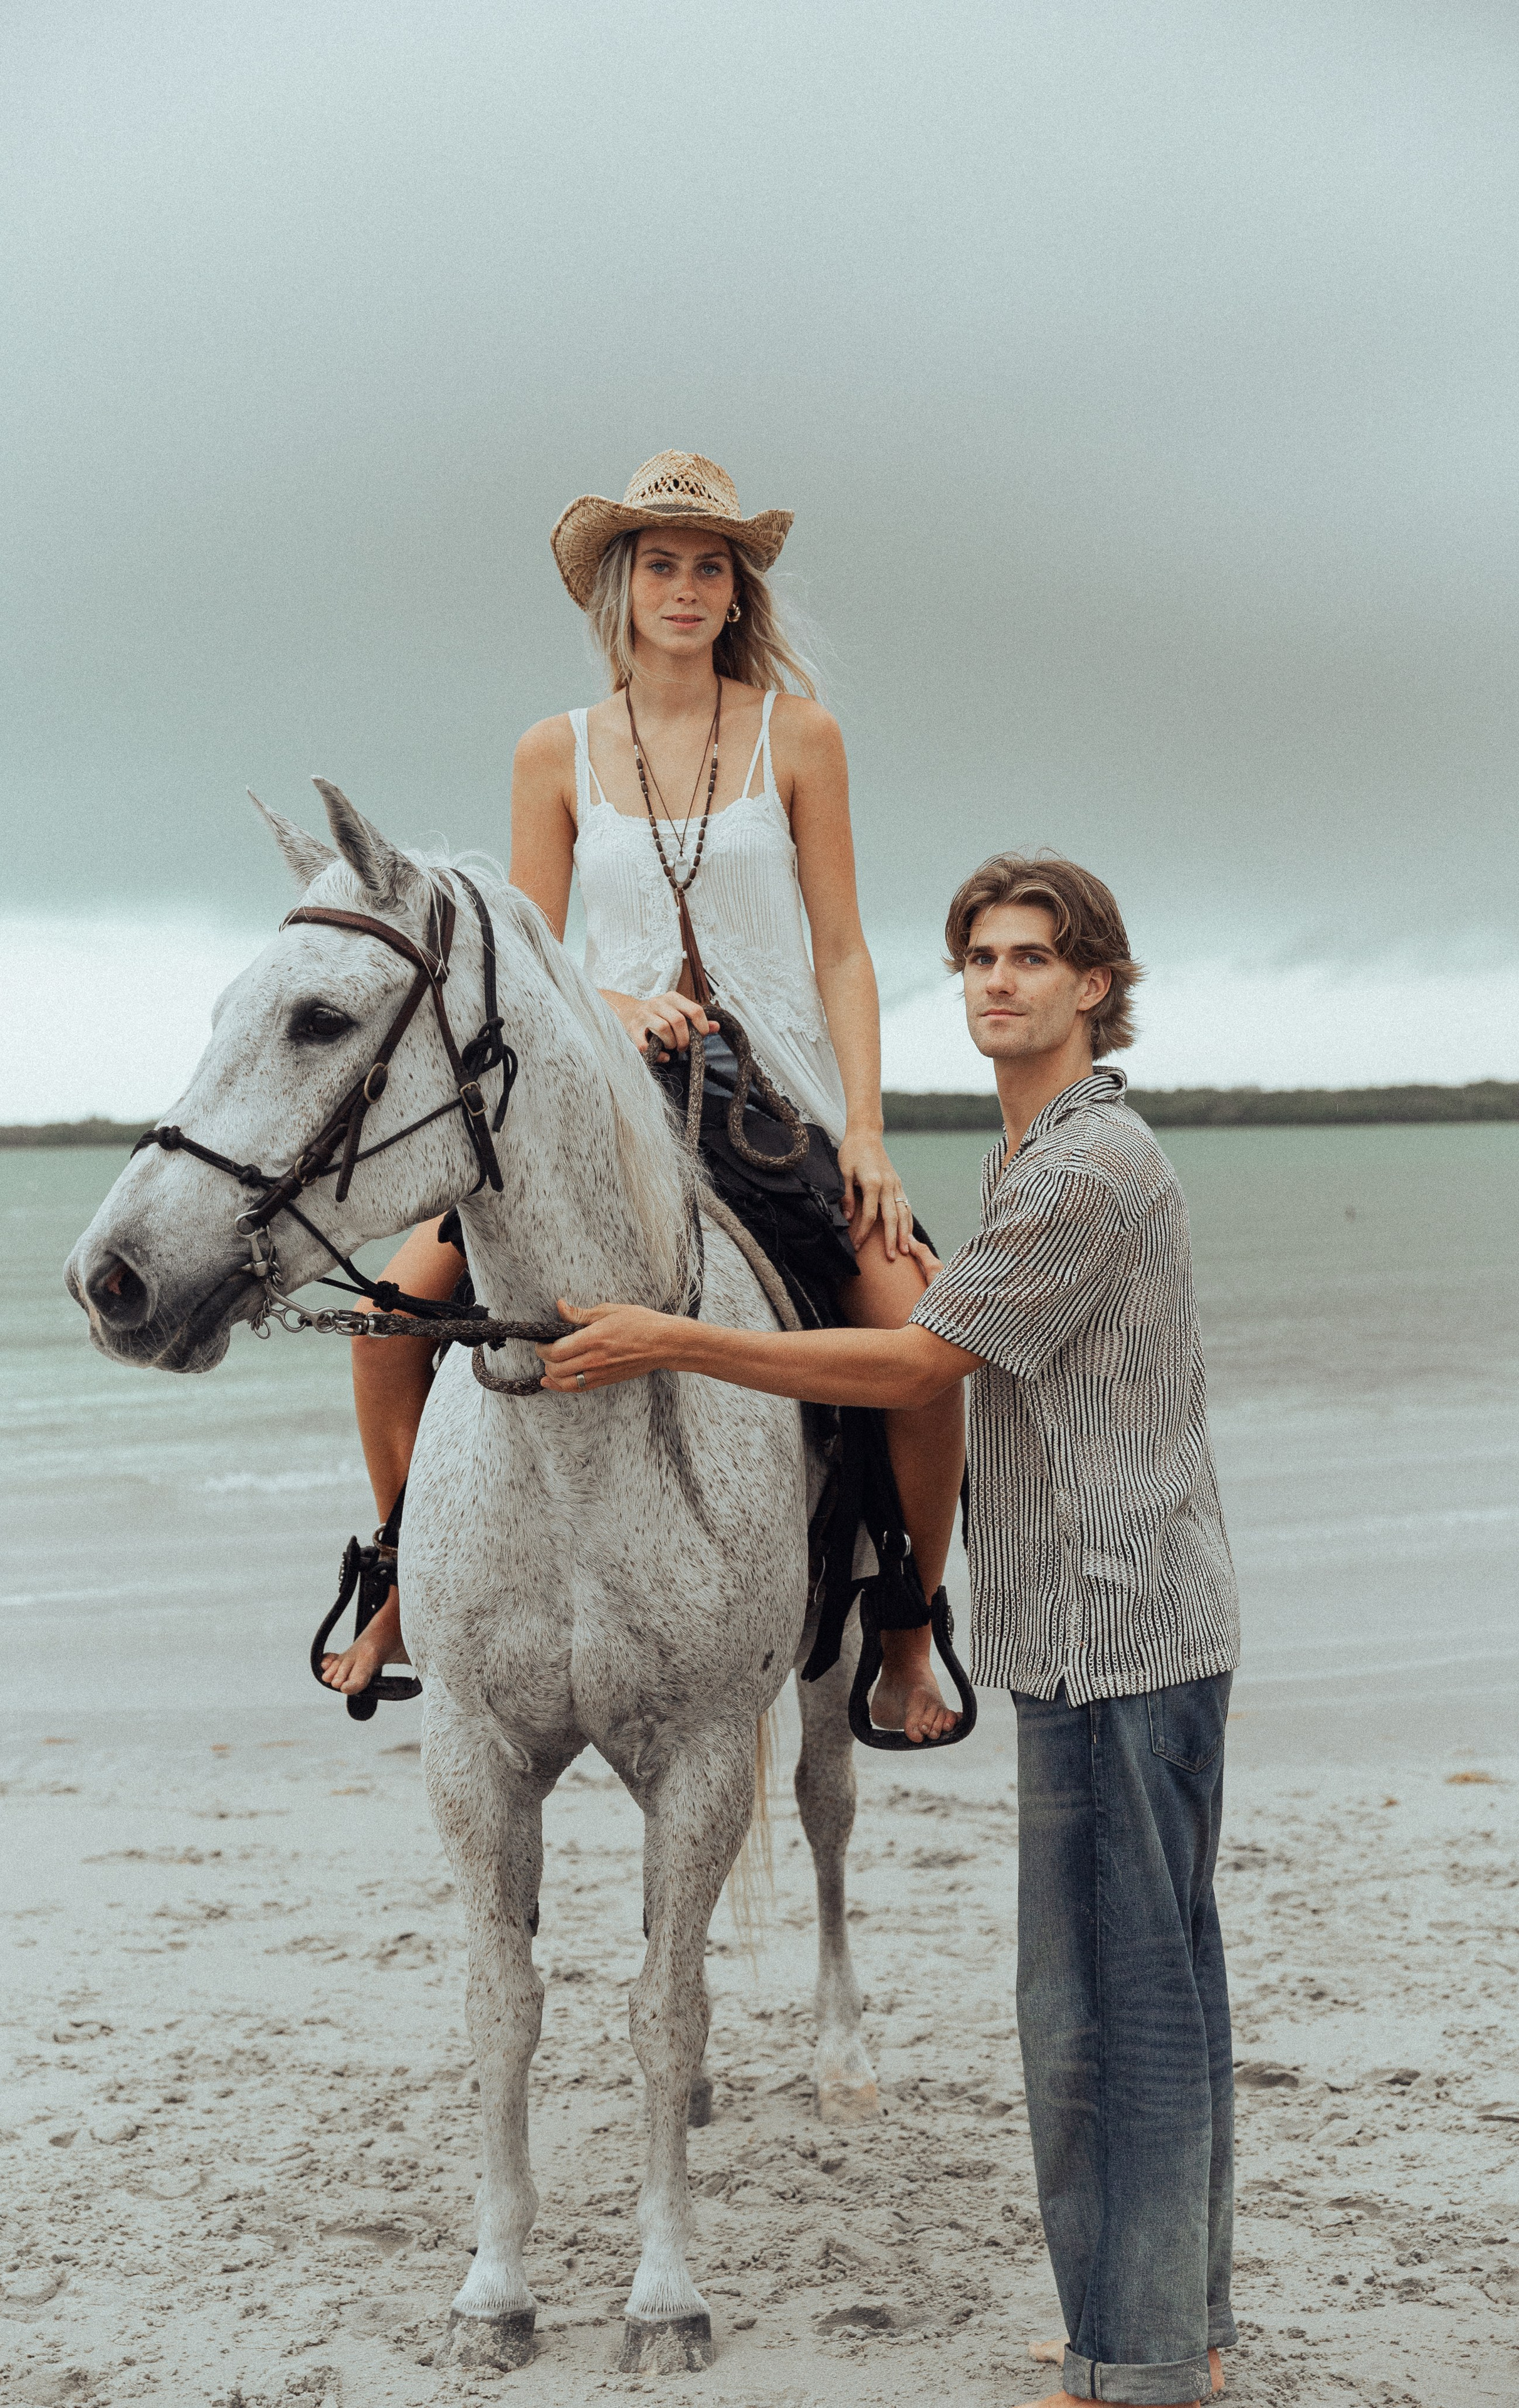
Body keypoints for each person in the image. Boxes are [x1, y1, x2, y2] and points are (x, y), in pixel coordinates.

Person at [537, 852, 1239, 2408]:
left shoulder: (1080, 1174)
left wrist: (674, 1339)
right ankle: (1164, 2335)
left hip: (1120, 1635)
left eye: (1031, 959)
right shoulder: (1043, 1153)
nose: (996, 981)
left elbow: (918, 1372)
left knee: (1105, 2017)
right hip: (1110, 1626)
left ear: (1093, 987)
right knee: (1149, 1997)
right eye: (977, 956)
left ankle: (1131, 2363)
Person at [323, 450, 966, 1743]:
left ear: (737, 594)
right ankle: (400, 1571)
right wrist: (611, 1008)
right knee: (385, 1317)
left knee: (914, 1330)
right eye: (659, 565)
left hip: (768, 1091)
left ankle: (903, 1625)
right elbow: (526, 950)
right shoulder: (552, 750)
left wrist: (867, 1133)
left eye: (708, 568)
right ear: (617, 590)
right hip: (598, 1096)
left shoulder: (799, 733)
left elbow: (841, 947)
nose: (684, 588)